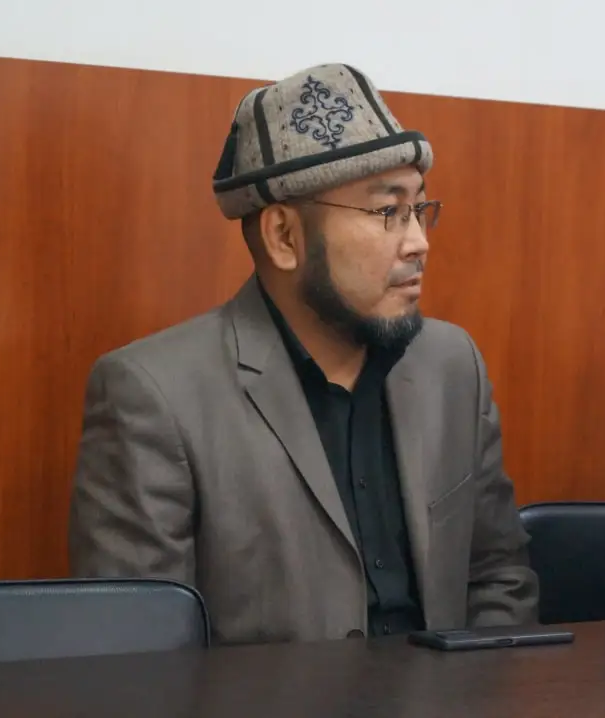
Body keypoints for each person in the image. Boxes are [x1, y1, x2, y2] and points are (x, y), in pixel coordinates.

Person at [69, 63, 538, 644]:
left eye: (419, 209)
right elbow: (139, 647)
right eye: (387, 212)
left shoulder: (450, 364)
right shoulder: (156, 395)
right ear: (284, 237)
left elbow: (498, 577)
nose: (419, 242)